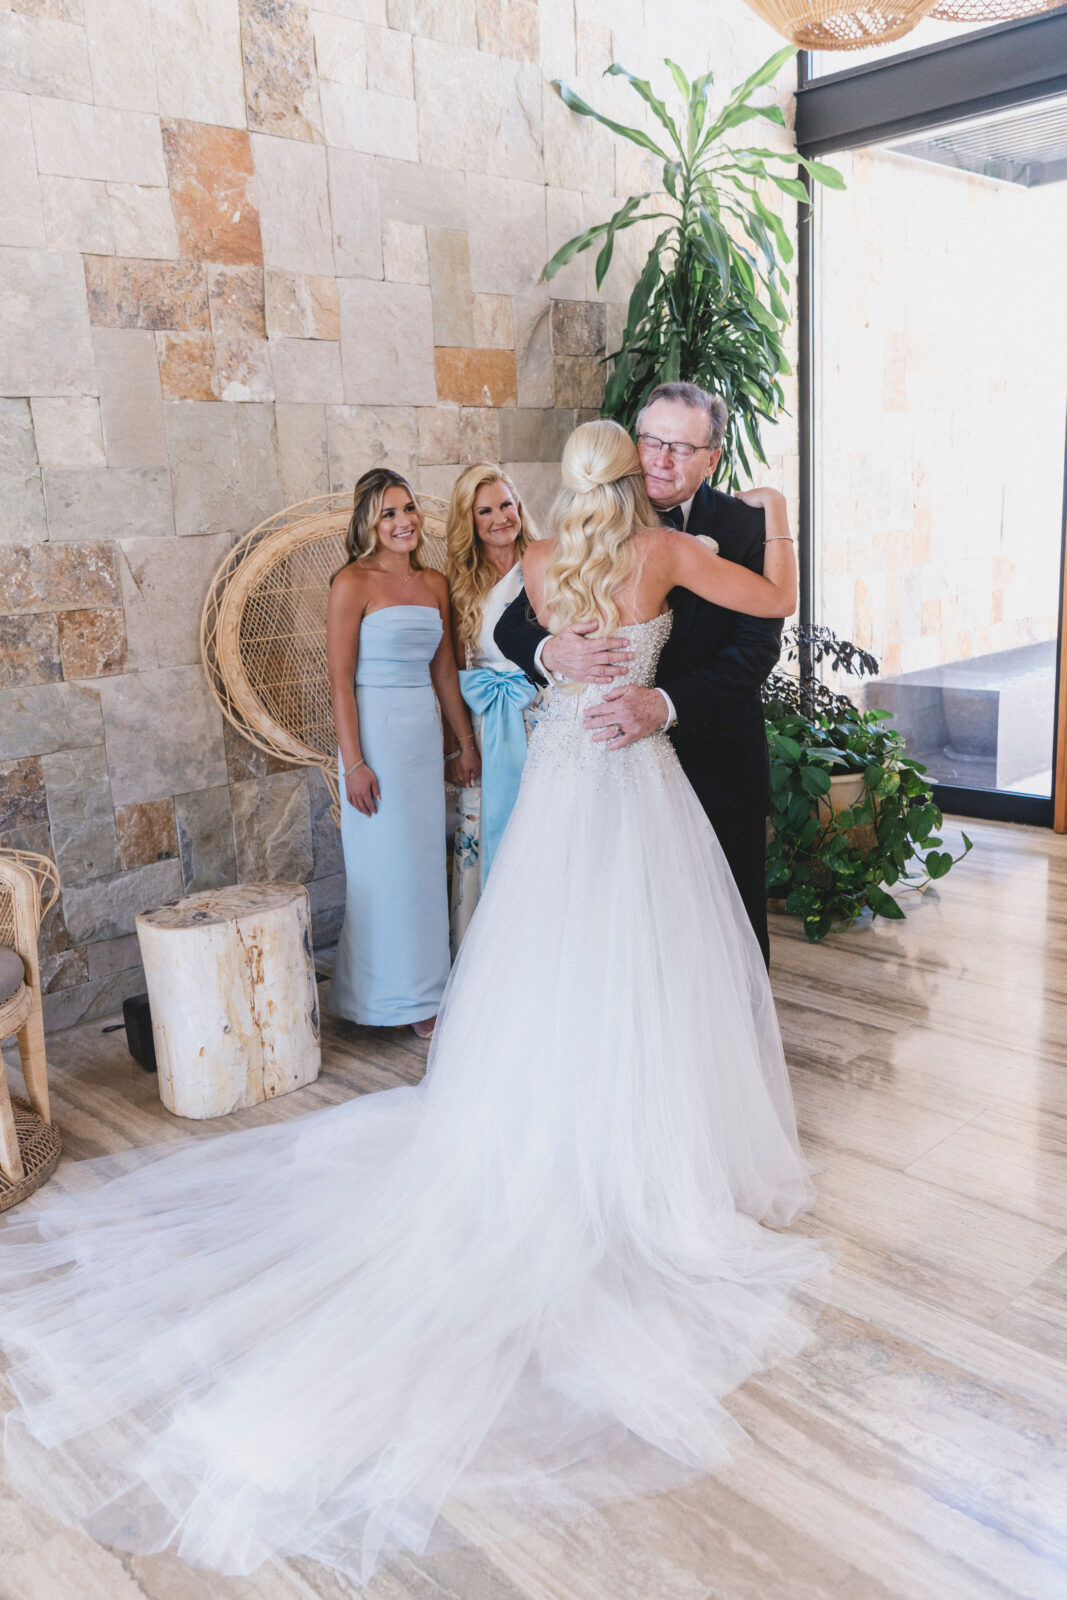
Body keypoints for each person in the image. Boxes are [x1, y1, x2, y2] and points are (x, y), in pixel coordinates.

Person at [0, 422, 822, 1591]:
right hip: (634, 787)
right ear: (633, 482)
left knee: (554, 964)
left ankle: (559, 1130)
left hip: (565, 793)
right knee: (650, 962)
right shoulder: (667, 559)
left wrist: (555, 668)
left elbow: (505, 636)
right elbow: (775, 596)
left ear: (557, 492)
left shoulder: (536, 568)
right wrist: (775, 509)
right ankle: (651, 1146)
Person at [496, 381, 783, 966]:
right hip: (597, 767)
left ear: (712, 458)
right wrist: (553, 653)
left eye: (680, 447)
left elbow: (756, 650)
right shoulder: (583, 528)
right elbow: (511, 627)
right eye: (651, 440)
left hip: (712, 756)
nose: (660, 458)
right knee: (601, 932)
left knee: (728, 946)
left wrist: (666, 703)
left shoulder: (743, 528)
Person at [323, 467, 480, 1038]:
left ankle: (426, 994)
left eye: (408, 509)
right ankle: (381, 999)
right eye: (388, 513)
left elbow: (445, 674)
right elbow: (339, 682)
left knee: (420, 869)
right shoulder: (352, 583)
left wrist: (462, 744)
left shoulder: (435, 584)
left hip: (419, 736)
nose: (403, 521)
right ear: (369, 522)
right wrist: (355, 763)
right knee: (383, 869)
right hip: (375, 742)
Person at [445, 463, 540, 952]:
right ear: (471, 520)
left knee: (541, 828)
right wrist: (461, 744)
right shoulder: (459, 585)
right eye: (486, 510)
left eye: (506, 504)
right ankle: (486, 954)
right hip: (487, 722)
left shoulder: (547, 563)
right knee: (485, 826)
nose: (500, 517)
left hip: (541, 714)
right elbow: (447, 670)